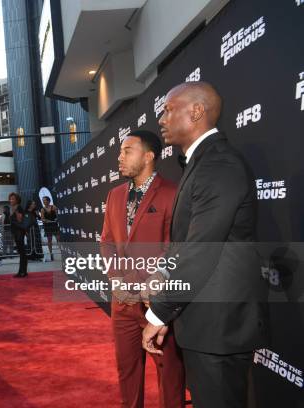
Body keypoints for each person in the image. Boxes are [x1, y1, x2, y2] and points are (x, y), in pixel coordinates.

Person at [142, 82, 269, 408]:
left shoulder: (218, 163)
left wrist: (158, 313)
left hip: (219, 326)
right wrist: (163, 272)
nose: (162, 119)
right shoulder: (202, 162)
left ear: (196, 111)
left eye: (169, 110)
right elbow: (186, 241)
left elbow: (201, 250)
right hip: (208, 325)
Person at [100, 130, 185, 408]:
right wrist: (115, 280)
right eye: (120, 151)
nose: (119, 157)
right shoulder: (114, 195)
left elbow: (172, 248)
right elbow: (107, 242)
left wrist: (131, 281)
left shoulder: (173, 193)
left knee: (169, 375)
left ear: (148, 156)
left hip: (157, 302)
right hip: (121, 303)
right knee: (127, 372)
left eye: (127, 150)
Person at [9, 193, 31, 278]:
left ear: (17, 200)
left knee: (22, 252)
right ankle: (22, 271)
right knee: (21, 252)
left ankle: (23, 272)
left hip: (19, 232)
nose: (11, 200)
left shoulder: (18, 208)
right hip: (16, 232)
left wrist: (15, 213)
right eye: (10, 199)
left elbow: (20, 220)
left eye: (13, 199)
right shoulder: (14, 208)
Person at [40, 196, 59, 261]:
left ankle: (62, 251)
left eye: (45, 200)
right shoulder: (42, 209)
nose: (44, 201)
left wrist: (56, 219)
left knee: (58, 238)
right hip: (47, 226)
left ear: (48, 201)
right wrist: (46, 221)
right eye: (43, 200)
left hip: (54, 225)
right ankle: (51, 253)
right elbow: (42, 219)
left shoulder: (53, 207)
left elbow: (57, 215)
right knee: (49, 240)